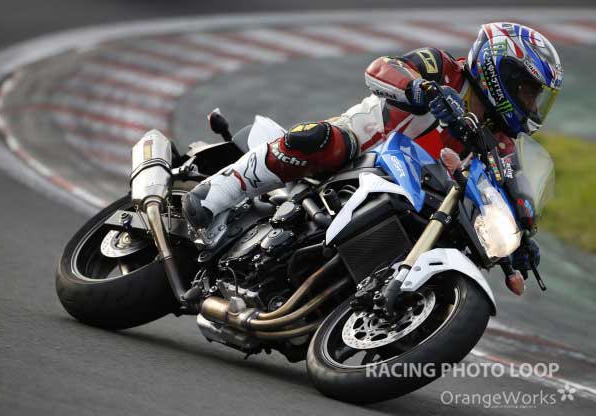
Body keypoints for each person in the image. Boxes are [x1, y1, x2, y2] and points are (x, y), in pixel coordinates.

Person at [182, 22, 563, 285]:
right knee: (320, 139)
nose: (531, 104)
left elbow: (509, 191)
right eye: (527, 90)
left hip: (418, 195)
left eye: (537, 97)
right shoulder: (444, 68)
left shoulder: (501, 143)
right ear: (500, 72)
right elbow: (383, 68)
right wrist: (422, 90)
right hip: (365, 148)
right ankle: (219, 191)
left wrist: (519, 242)